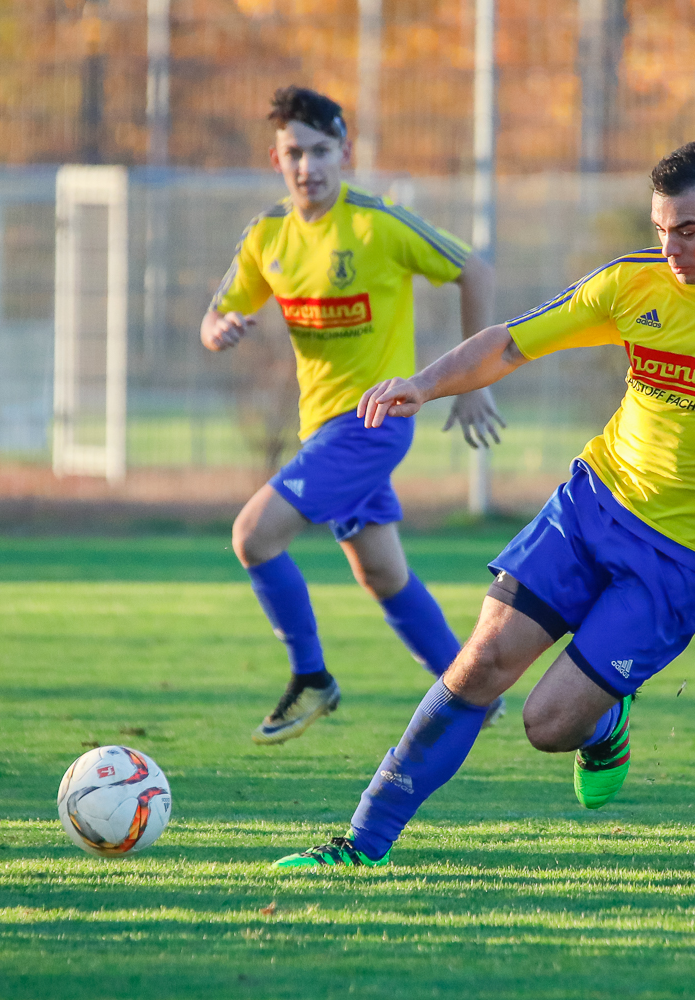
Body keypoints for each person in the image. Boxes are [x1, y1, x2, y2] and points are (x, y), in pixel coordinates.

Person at [272, 141, 695, 868]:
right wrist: (423, 385)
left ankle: (603, 720)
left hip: (687, 557)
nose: (669, 248)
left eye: (687, 231)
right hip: (593, 506)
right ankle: (361, 843)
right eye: (659, 229)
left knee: (547, 726)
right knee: (480, 662)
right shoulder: (632, 282)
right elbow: (510, 343)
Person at [203, 86, 506, 745]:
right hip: (322, 429)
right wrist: (219, 327)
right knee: (382, 572)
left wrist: (473, 381)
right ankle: (474, 693)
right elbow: (217, 313)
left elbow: (476, 272)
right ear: (276, 159)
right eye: (294, 153)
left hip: (373, 422)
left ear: (345, 152)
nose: (307, 166)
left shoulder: (377, 223)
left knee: (253, 536)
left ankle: (312, 677)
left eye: (320, 151)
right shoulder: (267, 235)